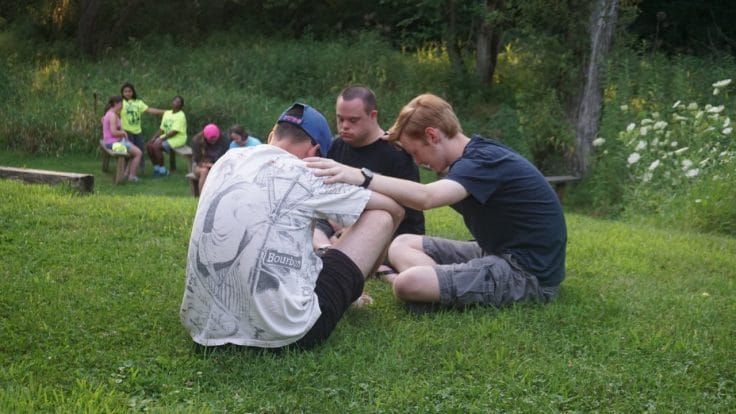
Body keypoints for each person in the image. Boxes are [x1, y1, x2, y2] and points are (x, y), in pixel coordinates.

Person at [307, 93, 567, 309]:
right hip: (494, 251)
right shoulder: (474, 155)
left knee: (407, 284)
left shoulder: (481, 162)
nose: (418, 161)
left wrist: (361, 176)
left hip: (527, 272)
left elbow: (427, 197)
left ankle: (435, 284)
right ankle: (446, 283)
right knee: (401, 244)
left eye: (415, 152)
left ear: (432, 135)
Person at [180, 102, 404, 349]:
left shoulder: (226, 161)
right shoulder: (306, 174)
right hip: (286, 334)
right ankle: (352, 293)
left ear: (271, 137)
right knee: (381, 216)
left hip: (204, 327)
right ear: (315, 153)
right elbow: (391, 207)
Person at [313, 85, 425, 274]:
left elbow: (408, 211)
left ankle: (341, 255)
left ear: (373, 116)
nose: (344, 126)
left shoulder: (396, 153)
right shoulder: (337, 146)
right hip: (339, 224)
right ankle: (327, 251)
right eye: (340, 119)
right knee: (309, 222)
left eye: (353, 120)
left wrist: (349, 231)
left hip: (388, 232)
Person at [120, 83, 165, 172]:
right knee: (129, 151)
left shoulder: (138, 102)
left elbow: (150, 110)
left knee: (141, 149)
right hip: (126, 131)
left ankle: (141, 168)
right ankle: (126, 170)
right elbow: (112, 111)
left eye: (129, 91)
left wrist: (165, 111)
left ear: (133, 92)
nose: (128, 93)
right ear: (122, 93)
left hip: (137, 131)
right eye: (125, 91)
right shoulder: (120, 103)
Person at [101, 95, 142, 182]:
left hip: (112, 142)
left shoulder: (110, 113)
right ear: (116, 104)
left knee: (133, 151)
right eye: (121, 104)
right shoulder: (112, 115)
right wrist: (123, 133)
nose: (122, 106)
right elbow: (113, 132)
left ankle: (126, 173)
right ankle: (132, 176)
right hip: (113, 143)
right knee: (138, 153)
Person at [146, 95, 187, 177]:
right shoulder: (167, 113)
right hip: (167, 136)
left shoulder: (181, 115)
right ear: (172, 102)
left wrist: (161, 139)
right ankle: (157, 168)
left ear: (181, 105)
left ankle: (163, 171)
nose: (176, 103)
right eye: (175, 101)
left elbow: (174, 132)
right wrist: (154, 138)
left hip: (178, 138)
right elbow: (162, 129)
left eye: (179, 102)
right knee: (149, 145)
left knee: (156, 146)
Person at [191, 123, 231, 195]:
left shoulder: (224, 140)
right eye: (211, 140)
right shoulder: (197, 141)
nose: (213, 142)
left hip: (218, 164)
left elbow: (226, 156)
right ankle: (203, 196)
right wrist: (211, 165)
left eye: (215, 140)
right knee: (204, 171)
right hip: (201, 165)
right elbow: (198, 161)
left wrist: (217, 165)